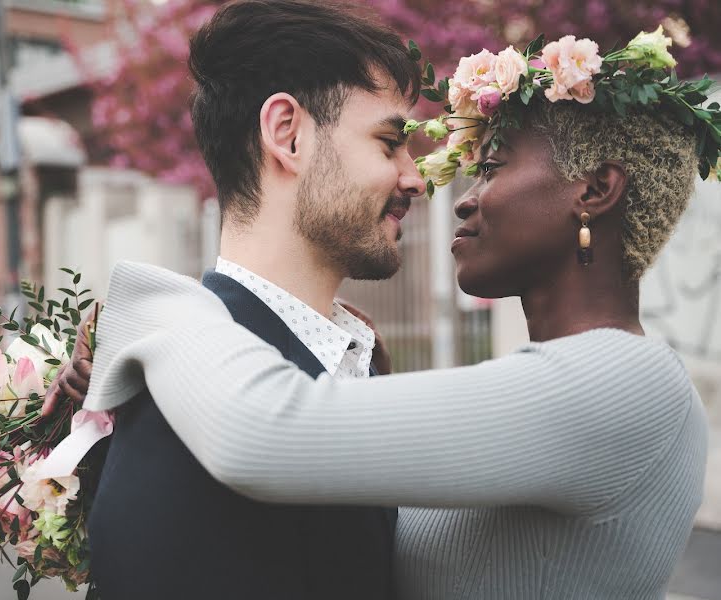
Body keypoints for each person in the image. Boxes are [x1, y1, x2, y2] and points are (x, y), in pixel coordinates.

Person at [57, 33, 713, 600]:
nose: (453, 194)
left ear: (594, 189)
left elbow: (269, 432)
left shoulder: (622, 385)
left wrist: (150, 308)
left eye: (492, 166)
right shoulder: (538, 385)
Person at [43, 1, 429, 598]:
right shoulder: (185, 404)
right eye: (389, 142)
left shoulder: (351, 356)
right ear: (288, 134)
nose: (415, 177)